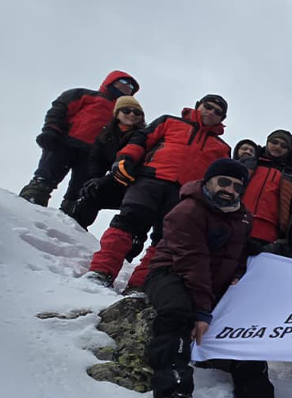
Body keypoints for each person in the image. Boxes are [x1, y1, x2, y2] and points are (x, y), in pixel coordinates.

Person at [142, 159, 281, 398]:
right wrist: (203, 312)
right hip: (171, 273)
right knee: (177, 314)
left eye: (238, 186)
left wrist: (239, 274)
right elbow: (191, 262)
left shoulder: (243, 218)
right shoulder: (187, 211)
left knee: (246, 325)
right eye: (224, 182)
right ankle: (174, 395)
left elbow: (238, 255)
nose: (230, 190)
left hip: (212, 282)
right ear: (208, 181)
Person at [85, 94, 231, 288]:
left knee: (165, 240)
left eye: (217, 112)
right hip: (149, 180)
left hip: (184, 195)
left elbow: (216, 180)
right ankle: (101, 272)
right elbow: (141, 140)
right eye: (208, 106)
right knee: (125, 224)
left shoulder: (222, 148)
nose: (211, 112)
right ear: (198, 106)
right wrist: (125, 159)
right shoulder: (168, 121)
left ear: (222, 119)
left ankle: (139, 285)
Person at [19, 70, 139, 210]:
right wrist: (51, 130)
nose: (127, 86)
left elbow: (127, 136)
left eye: (130, 86)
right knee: (46, 176)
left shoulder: (126, 113)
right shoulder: (84, 95)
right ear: (111, 81)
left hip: (93, 154)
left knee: (80, 190)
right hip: (66, 143)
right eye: (123, 82)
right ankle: (30, 202)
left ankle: (70, 216)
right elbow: (60, 109)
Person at [71, 95, 146, 229]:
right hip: (114, 181)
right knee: (90, 193)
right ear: (117, 113)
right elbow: (96, 160)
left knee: (132, 215)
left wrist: (104, 181)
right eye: (126, 111)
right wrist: (94, 179)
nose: (132, 115)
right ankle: (76, 229)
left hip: (135, 184)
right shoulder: (105, 135)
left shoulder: (144, 136)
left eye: (137, 112)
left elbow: (136, 164)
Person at [240, 130, 292, 255]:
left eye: (283, 146)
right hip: (236, 222)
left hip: (268, 232)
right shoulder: (248, 163)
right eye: (274, 142)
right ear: (267, 142)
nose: (278, 147)